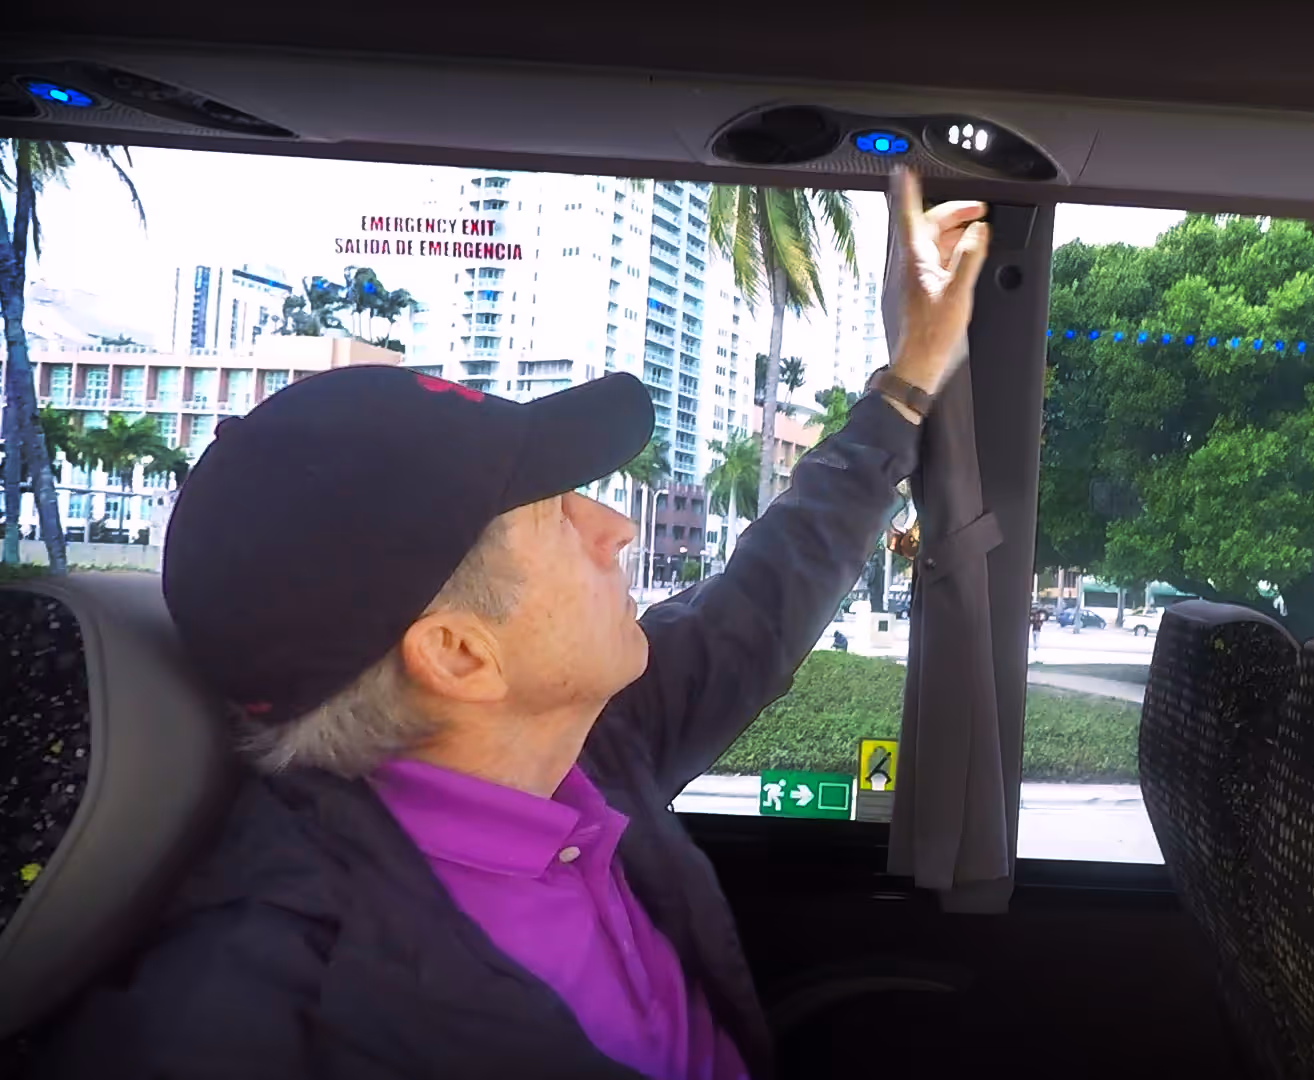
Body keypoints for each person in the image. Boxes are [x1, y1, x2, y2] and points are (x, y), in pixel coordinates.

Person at [34, 170, 988, 1080]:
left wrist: (909, 376)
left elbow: (765, 598)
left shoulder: (576, 756)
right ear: (458, 654)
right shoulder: (268, 1013)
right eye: (556, 513)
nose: (615, 528)